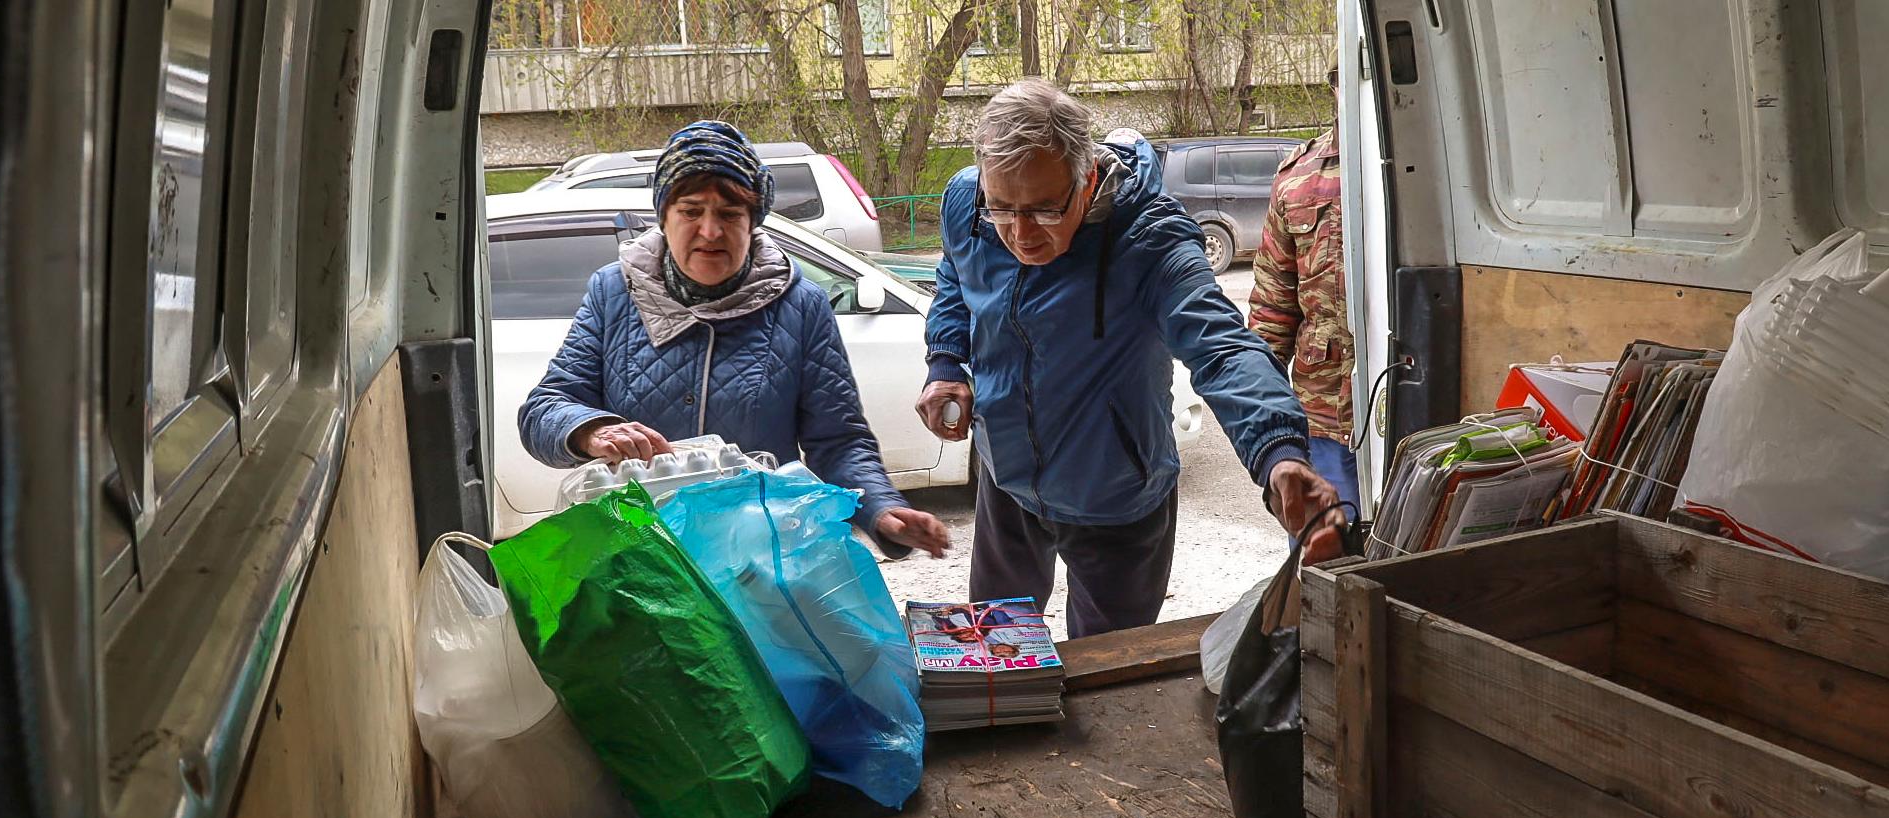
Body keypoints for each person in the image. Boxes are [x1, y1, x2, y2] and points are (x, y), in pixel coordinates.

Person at [913, 79, 1343, 638]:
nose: (1020, 234)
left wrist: (1278, 451)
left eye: (1044, 210)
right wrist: (947, 361)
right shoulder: (968, 204)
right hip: (1006, 479)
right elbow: (955, 274)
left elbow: (1223, 346)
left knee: (1105, 677)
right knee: (998, 648)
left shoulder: (1150, 240)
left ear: (1087, 177)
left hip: (1116, 496)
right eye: (1004, 210)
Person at [520, 120, 949, 557]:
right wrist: (592, 431)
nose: (710, 231)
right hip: (642, 558)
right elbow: (544, 410)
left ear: (753, 222)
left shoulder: (800, 305)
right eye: (690, 211)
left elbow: (838, 440)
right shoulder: (614, 292)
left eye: (729, 214)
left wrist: (880, 509)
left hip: (759, 559)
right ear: (664, 218)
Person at [1250, 72, 1359, 522]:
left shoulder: (1437, 161)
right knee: (1325, 556)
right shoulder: (1299, 178)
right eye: (1345, 79)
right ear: (1335, 84)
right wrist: (1267, 426)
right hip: (1323, 416)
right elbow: (1272, 307)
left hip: (1421, 409)